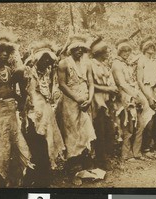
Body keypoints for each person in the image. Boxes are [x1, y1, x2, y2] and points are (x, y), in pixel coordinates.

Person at [0, 30, 32, 187]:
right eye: (0, 50)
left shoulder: (7, 70)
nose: (4, 54)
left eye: (7, 51)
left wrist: (23, 100)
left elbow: (10, 90)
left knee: (16, 144)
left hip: (10, 112)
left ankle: (14, 179)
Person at [21, 40, 66, 187]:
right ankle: (35, 177)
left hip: (46, 111)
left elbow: (51, 92)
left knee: (47, 141)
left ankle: (44, 176)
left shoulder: (48, 72)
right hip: (32, 113)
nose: (46, 61)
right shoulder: (27, 72)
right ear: (36, 58)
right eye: (43, 58)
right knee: (36, 143)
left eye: (48, 58)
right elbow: (23, 94)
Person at [56, 34, 96, 184]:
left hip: (85, 100)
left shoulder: (87, 64)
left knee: (85, 132)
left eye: (82, 48)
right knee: (72, 134)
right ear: (71, 49)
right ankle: (72, 171)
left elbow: (91, 83)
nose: (79, 51)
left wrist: (89, 99)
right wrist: (76, 98)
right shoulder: (64, 63)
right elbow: (62, 84)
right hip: (70, 102)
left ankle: (83, 167)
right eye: (76, 48)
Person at [111, 38, 151, 161]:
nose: (126, 53)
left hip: (133, 95)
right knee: (128, 126)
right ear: (119, 52)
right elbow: (122, 84)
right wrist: (135, 95)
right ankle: (125, 154)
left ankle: (137, 152)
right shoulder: (116, 64)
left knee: (140, 124)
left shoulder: (127, 64)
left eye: (128, 51)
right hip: (124, 98)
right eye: (124, 51)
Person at [90, 37, 119, 169]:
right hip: (97, 101)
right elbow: (90, 85)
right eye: (105, 51)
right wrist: (108, 88)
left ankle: (106, 157)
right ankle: (99, 160)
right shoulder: (91, 64)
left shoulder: (105, 66)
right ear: (99, 52)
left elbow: (110, 81)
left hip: (107, 100)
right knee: (99, 131)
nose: (107, 53)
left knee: (109, 130)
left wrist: (113, 89)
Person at [136, 36, 156, 156]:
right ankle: (145, 148)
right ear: (144, 49)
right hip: (145, 90)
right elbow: (139, 80)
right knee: (147, 118)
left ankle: (154, 145)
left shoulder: (155, 61)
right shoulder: (141, 60)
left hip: (155, 90)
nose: (151, 49)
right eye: (148, 47)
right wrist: (148, 97)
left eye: (153, 47)